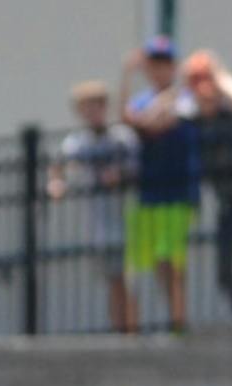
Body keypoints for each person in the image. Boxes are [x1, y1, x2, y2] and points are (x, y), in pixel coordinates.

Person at [120, 36, 202, 333]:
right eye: (152, 64)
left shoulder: (186, 99)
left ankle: (178, 326)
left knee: (172, 262)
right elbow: (129, 118)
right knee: (141, 266)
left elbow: (154, 124)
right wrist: (127, 74)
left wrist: (159, 104)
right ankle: (133, 333)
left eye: (164, 63)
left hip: (176, 194)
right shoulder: (144, 98)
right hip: (147, 194)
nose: (158, 70)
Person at [47, 80, 139, 333]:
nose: (89, 113)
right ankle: (118, 330)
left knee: (127, 280)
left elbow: (137, 168)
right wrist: (57, 183)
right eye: (84, 108)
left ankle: (131, 332)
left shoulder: (121, 138)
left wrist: (119, 175)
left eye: (94, 106)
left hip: (126, 220)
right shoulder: (78, 143)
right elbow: (58, 165)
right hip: (99, 224)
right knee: (112, 280)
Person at [183, 50, 232, 315]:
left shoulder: (230, 111)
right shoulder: (192, 122)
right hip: (229, 201)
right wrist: (186, 84)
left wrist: (216, 71)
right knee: (224, 271)